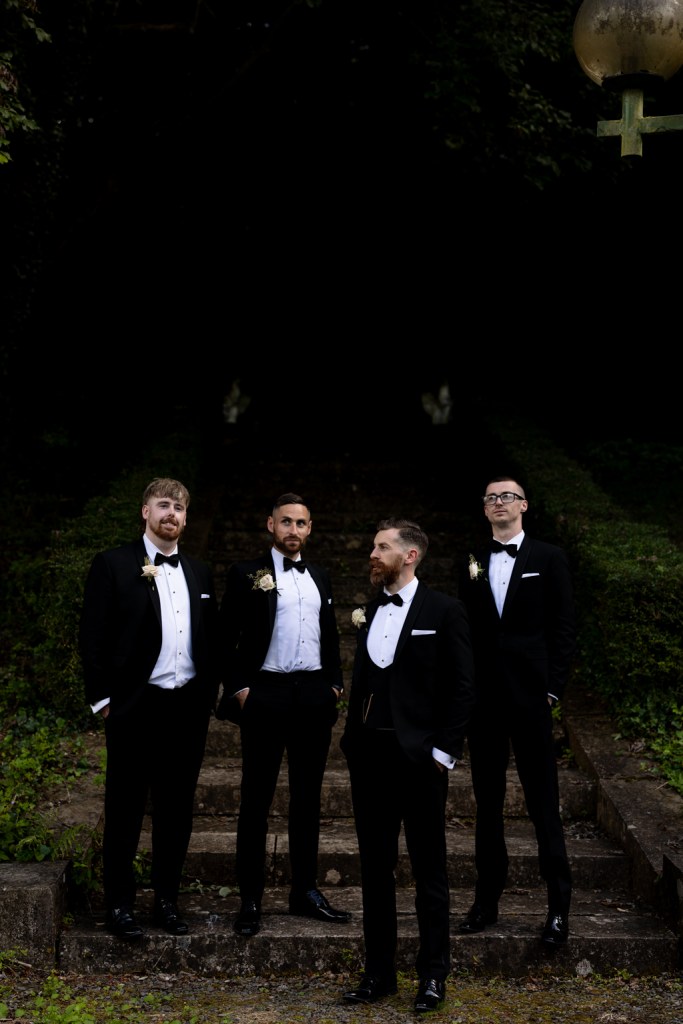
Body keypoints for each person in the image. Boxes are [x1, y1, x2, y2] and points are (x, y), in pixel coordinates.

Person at [340, 517, 475, 1014]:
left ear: (410, 555)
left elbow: (463, 687)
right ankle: (378, 974)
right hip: (370, 760)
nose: (372, 554)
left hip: (419, 761)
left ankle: (433, 976)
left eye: (382, 547)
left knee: (429, 871)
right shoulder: (373, 607)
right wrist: (352, 741)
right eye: (373, 546)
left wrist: (443, 752)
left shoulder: (445, 609)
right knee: (375, 871)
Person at [79, 477, 220, 940]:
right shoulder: (114, 565)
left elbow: (208, 637)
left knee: (176, 810)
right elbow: (92, 638)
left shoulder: (198, 571)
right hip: (135, 708)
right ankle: (119, 905)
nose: (172, 514)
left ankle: (166, 901)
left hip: (186, 709)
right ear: (145, 511)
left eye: (179, 508)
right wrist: (104, 702)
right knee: (125, 809)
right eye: (164, 505)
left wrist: (209, 691)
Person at [215, 492, 351, 936]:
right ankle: (250, 897)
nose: (294, 530)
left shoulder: (321, 576)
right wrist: (240, 689)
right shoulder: (246, 574)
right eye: (286, 522)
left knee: (307, 800)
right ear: (270, 525)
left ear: (310, 529)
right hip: (266, 694)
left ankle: (304, 891)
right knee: (256, 799)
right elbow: (225, 636)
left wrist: (334, 685)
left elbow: (329, 637)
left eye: (302, 523)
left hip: (313, 695)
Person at [457, 476, 576, 948]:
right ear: (485, 510)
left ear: (523, 505)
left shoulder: (549, 558)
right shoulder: (469, 560)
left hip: (530, 699)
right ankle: (486, 902)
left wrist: (552, 692)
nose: (498, 502)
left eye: (506, 496)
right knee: (486, 806)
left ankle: (558, 909)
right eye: (490, 497)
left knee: (543, 803)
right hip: (483, 703)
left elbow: (564, 628)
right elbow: (464, 631)